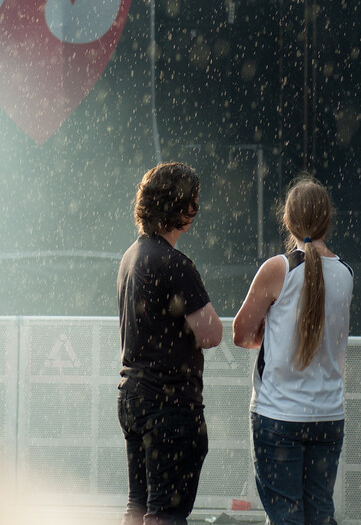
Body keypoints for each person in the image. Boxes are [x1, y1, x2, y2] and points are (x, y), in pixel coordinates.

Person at [233, 175, 353, 525]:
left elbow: (241, 333)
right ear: (328, 220)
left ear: (287, 220)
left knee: (286, 517)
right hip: (328, 416)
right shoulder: (346, 273)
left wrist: (273, 338)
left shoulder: (278, 268)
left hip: (279, 415)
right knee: (320, 514)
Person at [117, 162, 223, 525]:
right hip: (170, 406)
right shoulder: (175, 265)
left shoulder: (132, 257)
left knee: (138, 505)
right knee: (165, 513)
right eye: (194, 201)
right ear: (184, 210)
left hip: (134, 397)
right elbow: (210, 334)